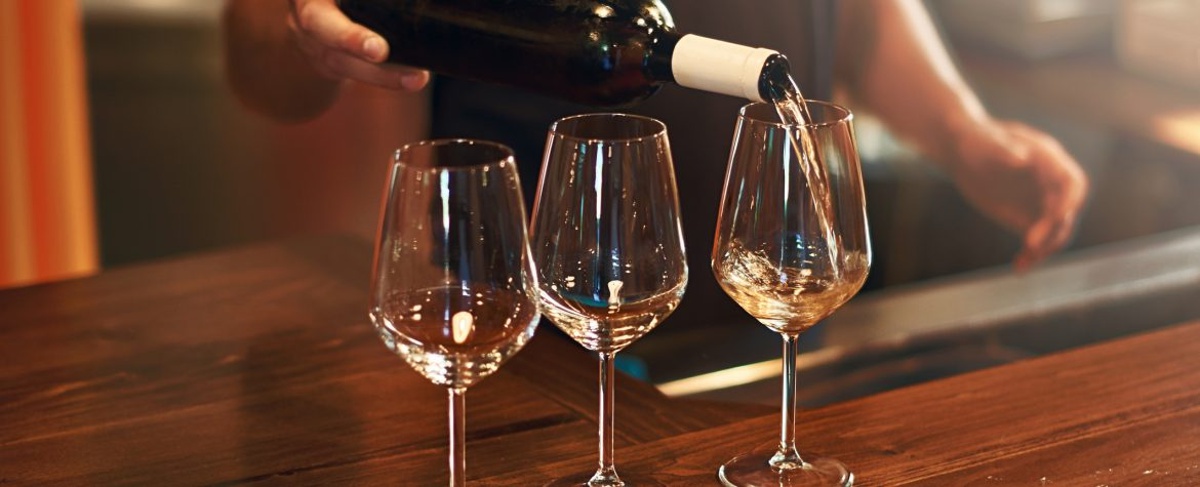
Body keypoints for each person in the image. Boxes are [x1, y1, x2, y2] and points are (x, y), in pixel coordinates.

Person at [222, 0, 1089, 336]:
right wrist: (303, 26)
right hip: (524, 341)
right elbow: (258, 46)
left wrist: (965, 133)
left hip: (754, 342)